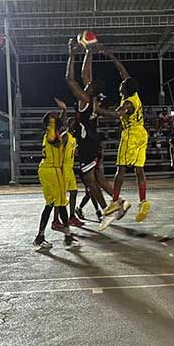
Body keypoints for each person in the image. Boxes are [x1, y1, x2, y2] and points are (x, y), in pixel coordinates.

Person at [96, 43, 151, 229]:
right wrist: (110, 55)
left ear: (125, 89)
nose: (120, 84)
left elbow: (117, 114)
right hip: (142, 133)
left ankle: (115, 201)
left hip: (132, 134)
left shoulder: (128, 102)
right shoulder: (134, 94)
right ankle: (143, 202)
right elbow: (122, 71)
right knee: (139, 170)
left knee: (121, 169)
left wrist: (98, 110)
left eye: (121, 85)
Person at [64, 39, 114, 223]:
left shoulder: (85, 98)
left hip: (87, 143)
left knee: (90, 181)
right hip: (94, 141)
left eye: (89, 84)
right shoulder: (93, 99)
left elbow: (70, 79)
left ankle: (113, 206)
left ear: (91, 89)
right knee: (96, 179)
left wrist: (71, 53)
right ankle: (109, 207)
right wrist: (89, 52)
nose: (86, 83)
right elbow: (86, 75)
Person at [34, 111, 81, 250]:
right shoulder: (51, 134)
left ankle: (40, 236)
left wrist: (64, 111)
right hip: (53, 171)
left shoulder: (50, 132)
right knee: (61, 204)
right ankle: (67, 236)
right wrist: (57, 119)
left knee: (50, 204)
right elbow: (54, 138)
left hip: (44, 170)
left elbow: (60, 126)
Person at [50, 102, 84, 229]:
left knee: (74, 192)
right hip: (62, 168)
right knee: (61, 196)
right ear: (69, 126)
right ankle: (55, 220)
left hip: (69, 168)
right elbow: (56, 146)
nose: (75, 125)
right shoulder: (65, 136)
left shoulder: (74, 139)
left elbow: (73, 153)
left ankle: (71, 217)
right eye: (73, 123)